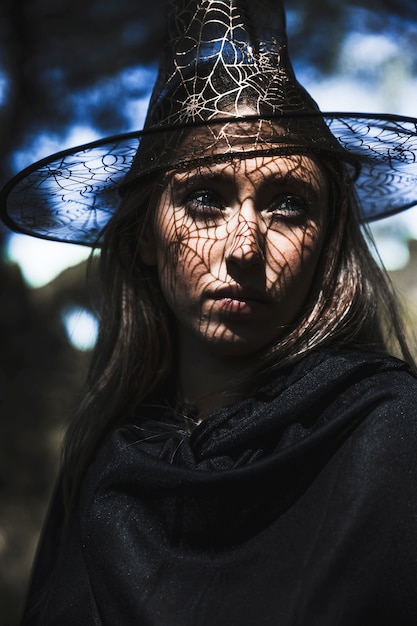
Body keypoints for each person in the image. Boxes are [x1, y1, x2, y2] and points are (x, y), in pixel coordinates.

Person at [2, 0, 417, 624]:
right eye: (203, 197)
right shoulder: (105, 462)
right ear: (146, 233)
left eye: (287, 203)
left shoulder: (389, 433)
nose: (244, 246)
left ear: (328, 235)